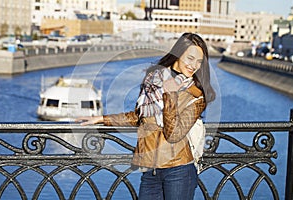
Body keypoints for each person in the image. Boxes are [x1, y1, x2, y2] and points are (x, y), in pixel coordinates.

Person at [76, 32, 216, 200]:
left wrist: (170, 94)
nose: (194, 65)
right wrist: (103, 119)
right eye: (190, 58)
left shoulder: (196, 95)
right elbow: (141, 116)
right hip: (151, 170)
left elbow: (174, 134)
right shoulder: (153, 79)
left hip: (179, 170)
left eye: (199, 62)